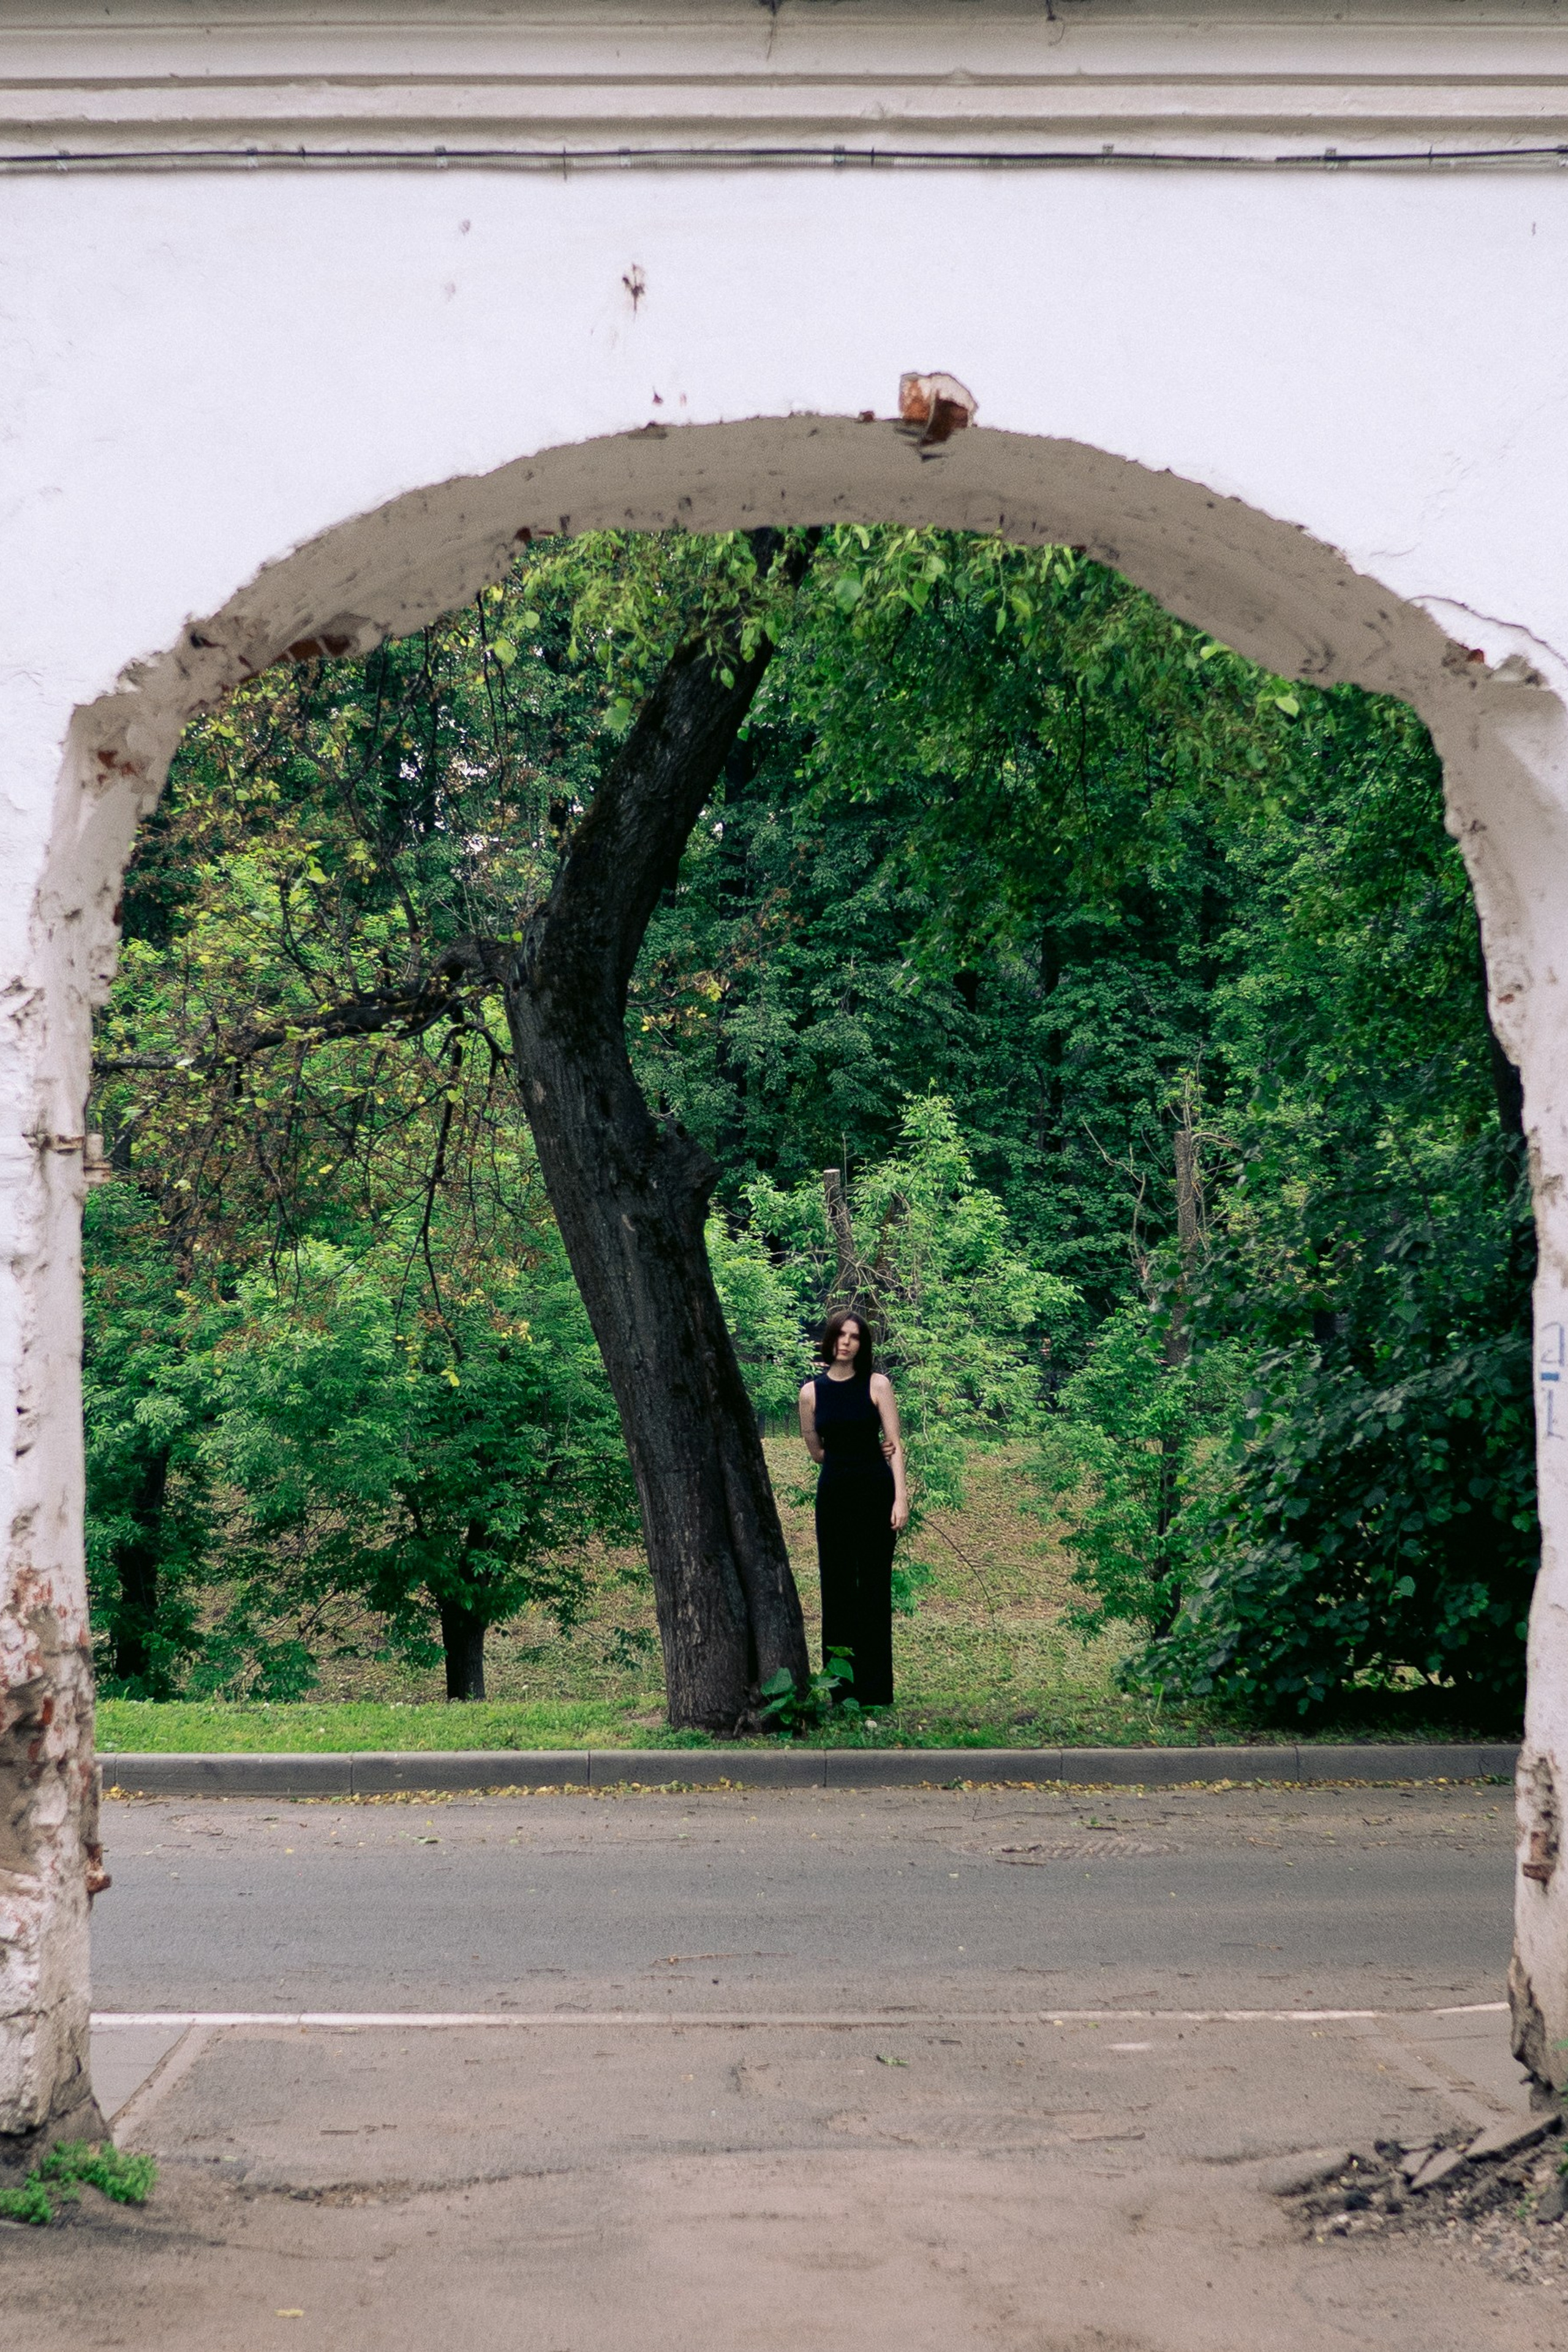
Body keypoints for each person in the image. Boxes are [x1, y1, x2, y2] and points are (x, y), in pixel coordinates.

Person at [798, 1306, 908, 1707]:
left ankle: (876, 1692)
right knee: (837, 1589)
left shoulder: (877, 1385)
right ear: (830, 1340)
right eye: (841, 1335)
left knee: (874, 1590)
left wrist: (901, 1498)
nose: (847, 1342)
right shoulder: (810, 1394)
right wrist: (849, 1454)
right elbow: (817, 1453)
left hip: (877, 1495)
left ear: (862, 1344)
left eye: (855, 1337)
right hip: (835, 1499)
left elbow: (895, 1447)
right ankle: (840, 1692)